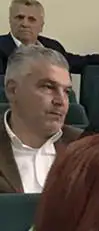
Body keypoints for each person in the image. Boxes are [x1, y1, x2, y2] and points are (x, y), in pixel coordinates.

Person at [0, 0, 99, 76]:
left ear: (41, 26)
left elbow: (84, 61)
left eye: (31, 19)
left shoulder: (52, 47)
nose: (25, 24)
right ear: (10, 20)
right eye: (19, 18)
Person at [1, 46, 79, 195]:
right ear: (12, 90)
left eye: (66, 92)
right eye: (48, 87)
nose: (61, 101)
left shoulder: (85, 146)